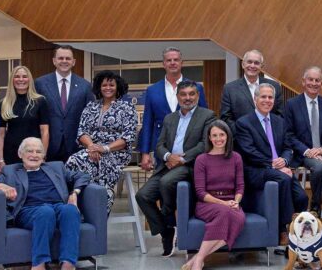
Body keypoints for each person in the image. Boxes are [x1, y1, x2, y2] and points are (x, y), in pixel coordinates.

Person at [0, 137, 91, 270]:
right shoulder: (10, 172)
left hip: (57, 206)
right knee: (45, 212)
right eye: (30, 151)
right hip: (29, 211)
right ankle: (38, 268)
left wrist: (74, 192)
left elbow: (83, 176)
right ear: (20, 154)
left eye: (38, 151)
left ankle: (68, 267)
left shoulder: (56, 168)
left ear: (43, 156)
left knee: (70, 210)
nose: (34, 155)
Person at [136, 80, 216, 257]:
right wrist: (167, 156)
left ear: (197, 96)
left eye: (191, 94)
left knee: (167, 182)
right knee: (142, 195)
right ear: (178, 96)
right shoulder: (170, 118)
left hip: (189, 166)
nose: (188, 98)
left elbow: (205, 144)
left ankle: (168, 218)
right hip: (167, 164)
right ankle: (166, 230)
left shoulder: (208, 116)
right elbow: (160, 144)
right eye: (183, 94)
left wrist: (181, 159)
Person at [234, 83, 308, 247]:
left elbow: (288, 147)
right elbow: (249, 152)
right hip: (256, 170)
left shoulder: (279, 121)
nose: (267, 100)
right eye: (263, 97)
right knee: (282, 179)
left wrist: (285, 160)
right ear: (255, 99)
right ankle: (282, 229)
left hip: (281, 168)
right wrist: (274, 165)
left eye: (270, 97)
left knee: (302, 198)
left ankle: (298, 232)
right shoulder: (244, 123)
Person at [180, 121, 245, 270]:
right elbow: (201, 193)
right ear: (209, 138)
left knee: (239, 218)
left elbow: (240, 186)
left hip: (231, 202)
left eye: (222, 135)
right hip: (207, 204)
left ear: (227, 136)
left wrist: (236, 201)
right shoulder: (202, 159)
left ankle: (197, 258)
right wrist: (224, 203)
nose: (218, 138)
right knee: (224, 213)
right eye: (214, 135)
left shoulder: (236, 157)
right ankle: (198, 262)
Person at [65, 71, 137, 212]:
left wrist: (104, 148)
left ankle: (97, 206)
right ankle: (75, 202)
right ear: (99, 87)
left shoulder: (127, 108)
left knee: (88, 162)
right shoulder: (90, 107)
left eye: (111, 85)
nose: (108, 88)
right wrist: (92, 146)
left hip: (116, 152)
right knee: (74, 160)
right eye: (104, 85)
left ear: (118, 87)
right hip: (91, 150)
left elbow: (128, 137)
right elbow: (82, 132)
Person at [137, 47, 209, 174]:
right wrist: (145, 152)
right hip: (162, 150)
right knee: (161, 187)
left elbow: (204, 119)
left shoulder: (196, 88)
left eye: (176, 60)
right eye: (168, 60)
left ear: (182, 62)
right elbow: (147, 123)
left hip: (189, 150)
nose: (172, 63)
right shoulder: (152, 90)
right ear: (163, 64)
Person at [284, 66, 322, 214]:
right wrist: (308, 151)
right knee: (318, 167)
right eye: (310, 79)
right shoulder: (292, 104)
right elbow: (289, 134)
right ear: (304, 82)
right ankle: (316, 205)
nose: (314, 83)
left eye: (317, 80)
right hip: (304, 153)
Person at [34, 45, 94, 162]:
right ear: (54, 61)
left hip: (76, 147)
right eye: (61, 58)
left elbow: (90, 118)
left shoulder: (85, 86)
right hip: (48, 146)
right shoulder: (40, 84)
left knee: (74, 180)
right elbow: (35, 115)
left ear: (74, 62)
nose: (64, 61)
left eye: (68, 58)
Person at [0, 66, 50, 168]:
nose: (21, 80)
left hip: (33, 154)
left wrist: (43, 155)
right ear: (12, 80)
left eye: (24, 77)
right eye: (17, 77)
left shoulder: (40, 101)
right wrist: (0, 160)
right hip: (10, 154)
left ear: (29, 79)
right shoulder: (4, 103)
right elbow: (0, 134)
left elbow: (45, 132)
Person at [220, 49, 283, 127]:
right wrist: (242, 134)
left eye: (256, 63)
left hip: (268, 136)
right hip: (241, 137)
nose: (252, 66)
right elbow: (226, 118)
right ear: (243, 64)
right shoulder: (229, 89)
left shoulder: (275, 86)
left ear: (261, 67)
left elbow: (279, 114)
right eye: (249, 62)